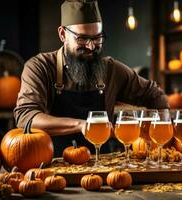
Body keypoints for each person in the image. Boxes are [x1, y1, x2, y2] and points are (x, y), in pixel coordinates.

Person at [14, 0, 169, 156]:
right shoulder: (40, 67)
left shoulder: (111, 69)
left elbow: (155, 95)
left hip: (102, 165)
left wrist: (161, 137)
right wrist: (81, 125)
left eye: (97, 38)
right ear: (62, 34)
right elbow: (25, 116)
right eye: (81, 38)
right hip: (52, 165)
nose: (91, 46)